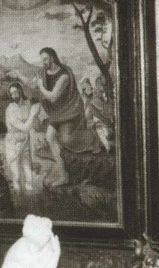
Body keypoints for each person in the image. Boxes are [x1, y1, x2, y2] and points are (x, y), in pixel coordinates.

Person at [9, 47, 98, 187]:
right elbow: (33, 84)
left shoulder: (64, 76)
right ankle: (63, 175)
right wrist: (19, 75)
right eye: (42, 59)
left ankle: (92, 136)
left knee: (66, 139)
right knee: (50, 137)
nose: (43, 62)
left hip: (70, 112)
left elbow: (52, 96)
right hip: (57, 114)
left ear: (52, 58)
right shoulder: (43, 72)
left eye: (45, 59)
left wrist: (40, 86)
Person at [4, 82, 41, 190]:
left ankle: (30, 199)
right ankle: (17, 197)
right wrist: (33, 114)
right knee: (17, 176)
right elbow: (24, 127)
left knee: (29, 178)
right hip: (13, 145)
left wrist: (36, 115)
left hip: (25, 144)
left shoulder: (27, 104)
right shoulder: (10, 109)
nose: (14, 95)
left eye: (16, 92)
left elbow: (35, 123)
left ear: (20, 91)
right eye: (12, 93)